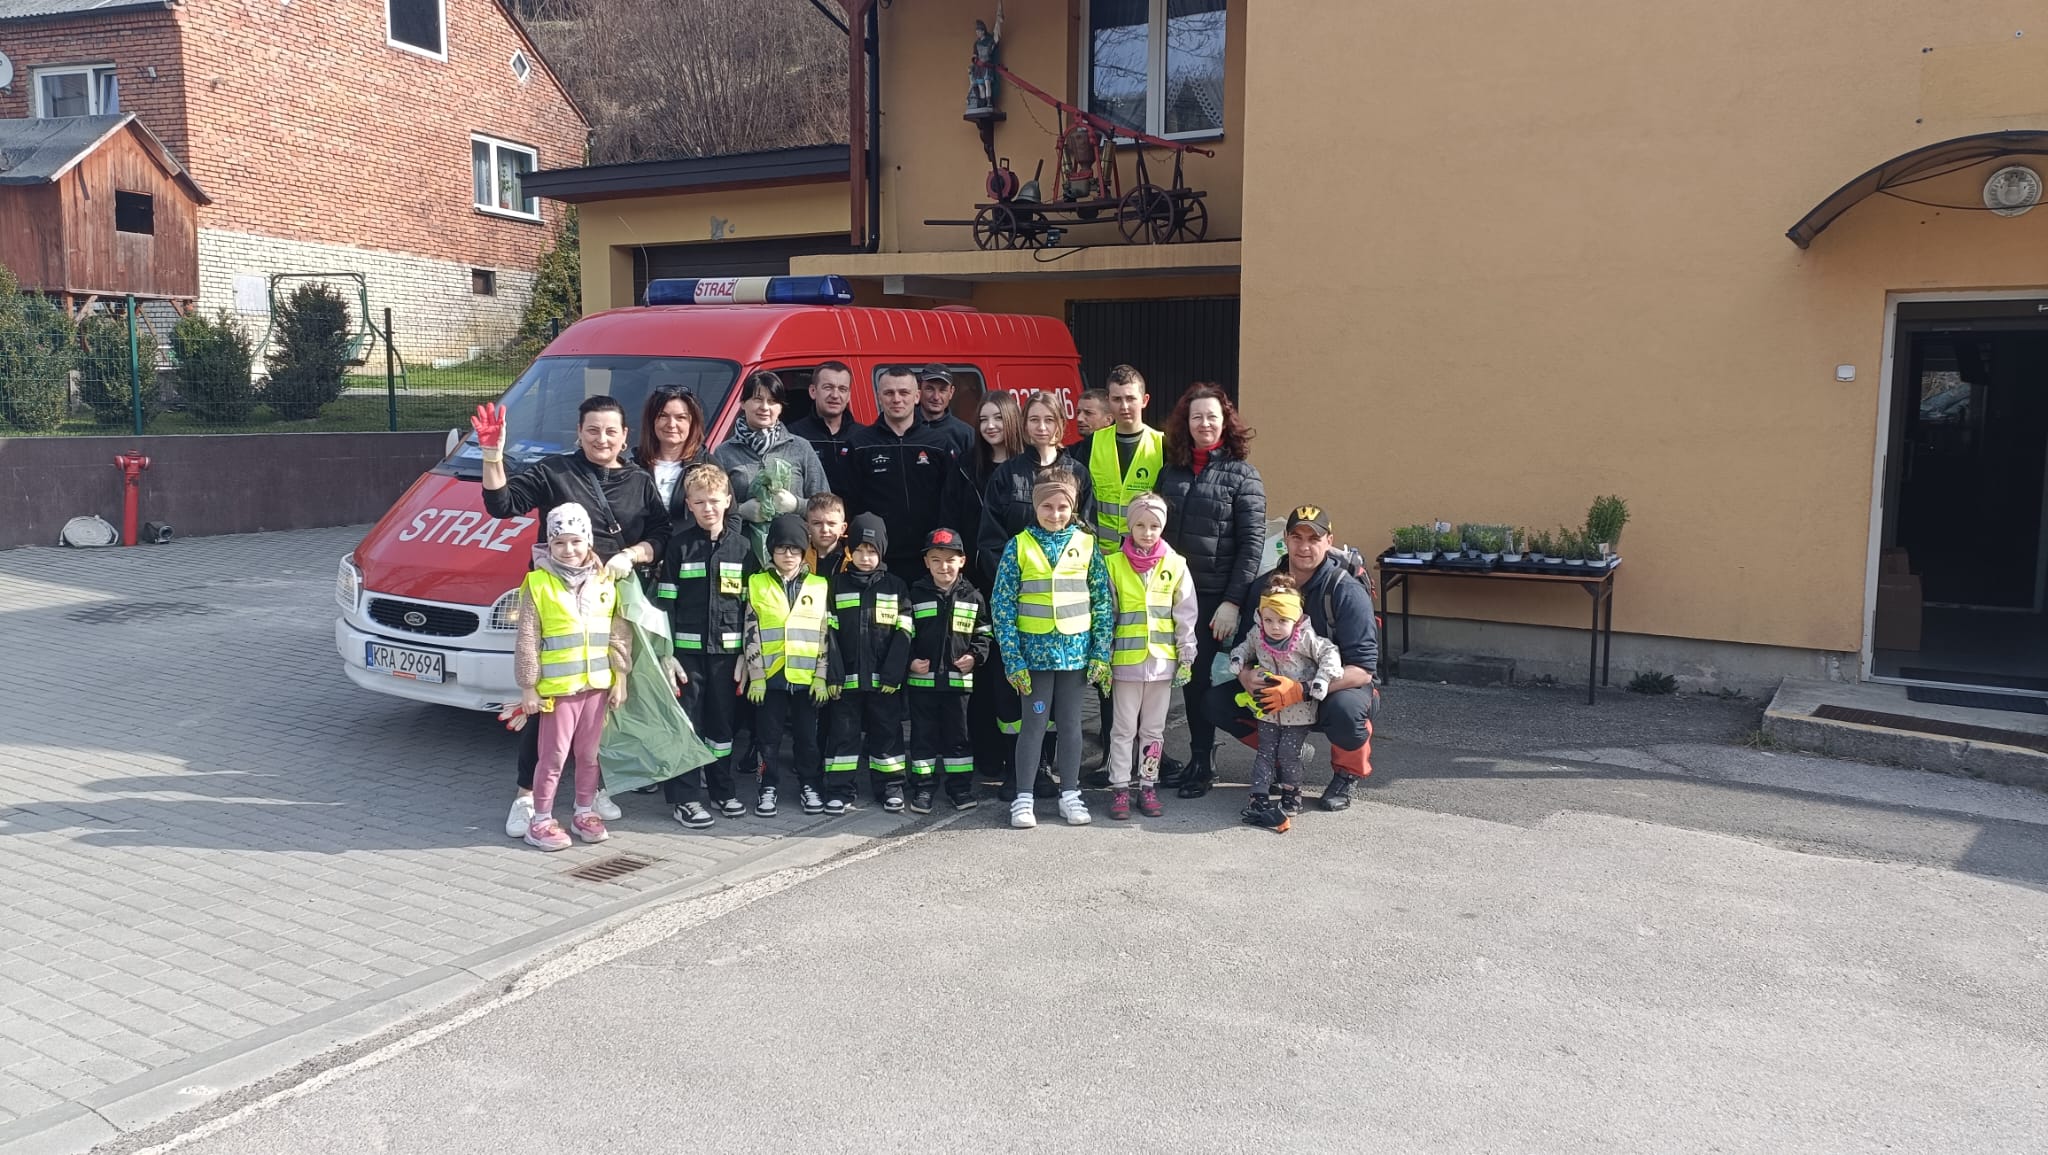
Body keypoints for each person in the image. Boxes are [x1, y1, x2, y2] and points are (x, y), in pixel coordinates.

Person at [475, 397, 670, 839]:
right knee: (547, 705)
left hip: (606, 599)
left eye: (611, 431)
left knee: (599, 705)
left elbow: (662, 534)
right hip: (557, 602)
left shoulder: (639, 480)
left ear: (624, 436)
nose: (602, 439)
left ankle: (592, 794)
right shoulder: (554, 471)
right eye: (593, 430)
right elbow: (502, 504)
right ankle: (527, 798)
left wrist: (631, 554)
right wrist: (492, 456)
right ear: (579, 433)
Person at [1208, 505, 1379, 811]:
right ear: (1285, 539)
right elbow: (1248, 642)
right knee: (1215, 703)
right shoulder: (1264, 586)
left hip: (1331, 686)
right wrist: (1245, 675)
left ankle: (1347, 773)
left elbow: (1363, 671)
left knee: (1347, 713)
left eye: (1314, 538)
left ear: (1329, 541)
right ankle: (1284, 755)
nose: (1304, 547)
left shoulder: (1346, 591)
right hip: (1277, 680)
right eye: (1297, 537)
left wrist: (1301, 689)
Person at [975, 391, 1096, 799]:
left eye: (1049, 420)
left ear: (1060, 425)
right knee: (1022, 704)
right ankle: (1022, 772)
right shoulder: (1007, 475)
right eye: (1033, 420)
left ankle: (1050, 772)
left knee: (1063, 711)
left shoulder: (1077, 472)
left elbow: (1088, 535)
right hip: (1026, 614)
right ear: (1023, 426)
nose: (1041, 427)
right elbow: (990, 540)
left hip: (1069, 629)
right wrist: (1014, 582)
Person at [1153, 382, 1267, 798]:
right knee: (1191, 680)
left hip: (1216, 600)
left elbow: (1252, 545)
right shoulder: (1172, 472)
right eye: (1197, 416)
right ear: (1186, 422)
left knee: (1206, 681)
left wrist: (1233, 603)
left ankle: (1210, 761)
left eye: (1212, 417)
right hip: (1174, 597)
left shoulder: (1242, 475)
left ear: (1225, 423)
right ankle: (1198, 759)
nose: (1204, 423)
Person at [990, 468, 1114, 829]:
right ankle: (1024, 797)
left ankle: (1071, 794)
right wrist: (1013, 659)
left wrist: (1099, 653)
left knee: (1072, 725)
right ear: (1035, 506)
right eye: (1047, 506)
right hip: (1034, 659)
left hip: (1075, 656)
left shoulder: (1087, 545)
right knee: (1034, 724)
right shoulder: (1019, 545)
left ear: (1073, 507)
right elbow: (1003, 604)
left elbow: (1102, 603)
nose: (1055, 513)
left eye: (1063, 506)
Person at [511, 503, 632, 851]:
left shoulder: (605, 583)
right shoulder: (538, 583)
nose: (569, 550)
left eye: (576, 541)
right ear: (549, 546)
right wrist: (528, 686)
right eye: (560, 543)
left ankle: (583, 810)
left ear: (589, 542)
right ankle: (541, 820)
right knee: (553, 757)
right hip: (559, 691)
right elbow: (527, 639)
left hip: (596, 686)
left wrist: (619, 677)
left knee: (589, 754)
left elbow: (618, 633)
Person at [655, 461, 754, 827]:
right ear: (689, 504)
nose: (708, 508)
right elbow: (664, 605)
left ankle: (722, 790)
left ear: (728, 500)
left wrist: (748, 653)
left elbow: (752, 609)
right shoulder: (679, 548)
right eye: (699, 502)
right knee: (686, 726)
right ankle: (685, 798)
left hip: (729, 659)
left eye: (714, 500)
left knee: (722, 729)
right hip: (687, 659)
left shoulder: (744, 549)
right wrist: (667, 655)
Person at [1101, 493, 1197, 821]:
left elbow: (1186, 614)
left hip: (1161, 664)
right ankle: (1119, 787)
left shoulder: (1176, 565)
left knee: (1154, 730)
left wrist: (1186, 656)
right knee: (1123, 728)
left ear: (1163, 527)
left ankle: (1148, 783)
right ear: (1129, 526)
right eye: (1140, 525)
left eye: (1155, 525)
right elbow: (1106, 615)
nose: (1147, 531)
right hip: (1125, 664)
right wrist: (1103, 656)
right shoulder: (1112, 564)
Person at [1228, 574, 1342, 833]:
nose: (1275, 627)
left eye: (1282, 621)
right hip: (1268, 708)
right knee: (1265, 752)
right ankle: (1258, 795)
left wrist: (1322, 680)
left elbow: (1329, 653)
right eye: (1268, 620)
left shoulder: (1304, 638)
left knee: (1288, 755)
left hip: (1298, 711)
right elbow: (1245, 646)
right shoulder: (1258, 634)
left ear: (1296, 618)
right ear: (1260, 616)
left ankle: (1292, 792)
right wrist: (1238, 659)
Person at [743, 514, 837, 817]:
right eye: (781, 548)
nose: (787, 555)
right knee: (767, 740)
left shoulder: (819, 585)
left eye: (794, 549)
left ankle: (810, 785)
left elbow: (825, 635)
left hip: (806, 677)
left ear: (803, 551)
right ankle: (766, 787)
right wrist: (756, 675)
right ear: (771, 550)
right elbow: (750, 631)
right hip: (770, 678)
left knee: (807, 739)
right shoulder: (756, 583)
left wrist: (821, 676)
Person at [823, 514, 914, 813]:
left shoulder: (896, 586)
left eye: (872, 551)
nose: (866, 557)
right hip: (845, 681)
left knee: (887, 734)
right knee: (843, 736)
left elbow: (904, 632)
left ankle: (890, 787)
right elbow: (829, 633)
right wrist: (833, 674)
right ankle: (839, 789)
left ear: (882, 552)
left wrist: (893, 673)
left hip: (884, 682)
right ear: (849, 551)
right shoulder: (835, 586)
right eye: (860, 550)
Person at [906, 527, 991, 813]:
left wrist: (975, 657)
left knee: (959, 738)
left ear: (962, 561)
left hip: (958, 684)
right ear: (926, 562)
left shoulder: (973, 596)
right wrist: (910, 661)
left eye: (950, 560)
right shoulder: (914, 594)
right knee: (923, 738)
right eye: (936, 559)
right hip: (922, 685)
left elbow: (984, 634)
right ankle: (923, 789)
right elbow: (903, 635)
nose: (944, 566)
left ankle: (960, 789)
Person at [845, 365, 956, 582]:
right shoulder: (859, 445)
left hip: (929, 558)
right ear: (879, 397)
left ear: (916, 396)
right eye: (889, 393)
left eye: (904, 393)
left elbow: (952, 501)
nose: (897, 399)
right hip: (878, 559)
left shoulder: (938, 444)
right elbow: (849, 502)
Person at [713, 370, 831, 559]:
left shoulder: (800, 448)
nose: (765, 407)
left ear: (781, 407)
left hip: (793, 557)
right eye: (757, 399)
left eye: (773, 401)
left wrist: (797, 505)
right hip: (742, 554)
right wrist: (740, 511)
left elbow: (826, 507)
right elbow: (711, 507)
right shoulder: (724, 452)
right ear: (743, 403)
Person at [942, 390, 1022, 587]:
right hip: (974, 573)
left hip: (1022, 571)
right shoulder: (964, 466)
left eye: (998, 418)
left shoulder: (1028, 465)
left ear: (1012, 419)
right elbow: (949, 517)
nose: (990, 426)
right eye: (983, 420)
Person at [1087, 364, 1164, 555]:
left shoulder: (1163, 446)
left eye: (1130, 398)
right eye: (1117, 399)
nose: (1124, 406)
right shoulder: (1090, 444)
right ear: (1108, 401)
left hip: (1145, 557)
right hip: (1101, 557)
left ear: (1144, 400)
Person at [636, 386, 713, 526]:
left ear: (692, 423)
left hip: (690, 548)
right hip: (643, 547)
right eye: (663, 416)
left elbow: (730, 517)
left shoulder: (707, 465)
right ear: (651, 421)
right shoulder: (634, 465)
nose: (671, 424)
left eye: (681, 417)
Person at [788, 361, 859, 497]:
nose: (835, 395)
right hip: (810, 516)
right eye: (828, 387)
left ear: (849, 395)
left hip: (855, 517)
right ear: (813, 391)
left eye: (842, 389)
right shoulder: (793, 435)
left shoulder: (863, 437)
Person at [917, 363, 977, 459]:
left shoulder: (966, 435)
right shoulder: (904, 428)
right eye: (930, 389)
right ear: (919, 390)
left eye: (942, 390)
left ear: (951, 392)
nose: (936, 397)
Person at [804, 492, 849, 577]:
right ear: (807, 527)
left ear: (843, 528)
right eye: (817, 523)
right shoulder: (798, 557)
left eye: (831, 523)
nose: (824, 529)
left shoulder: (854, 558)